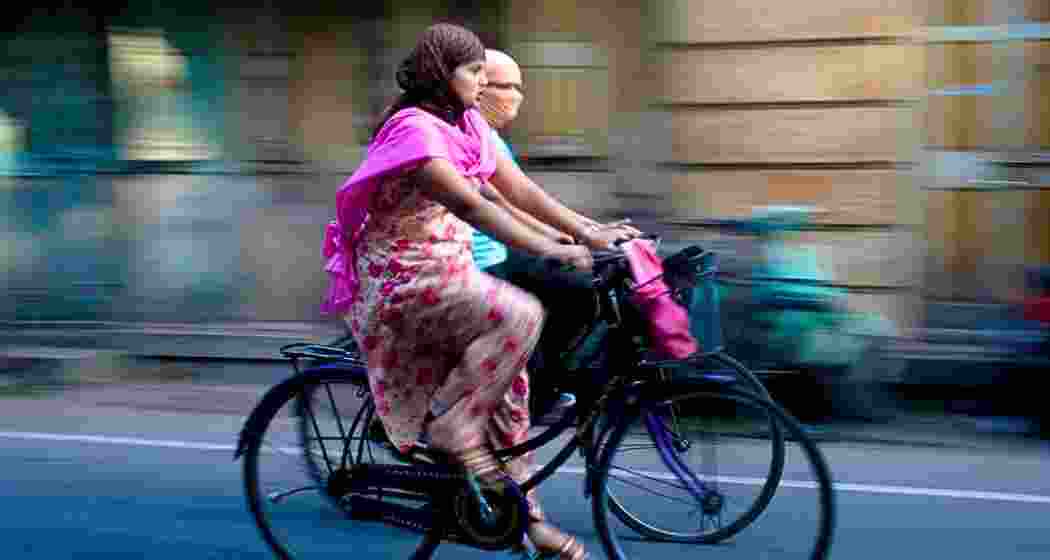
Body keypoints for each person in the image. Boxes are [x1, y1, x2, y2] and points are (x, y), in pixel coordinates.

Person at [321, 24, 620, 560]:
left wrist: (588, 232)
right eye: (475, 71)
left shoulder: (464, 126)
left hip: (450, 273)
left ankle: (531, 522)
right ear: (442, 73)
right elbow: (473, 206)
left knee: (513, 394)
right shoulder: (413, 131)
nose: (484, 84)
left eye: (487, 72)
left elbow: (516, 190)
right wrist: (552, 250)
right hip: (402, 278)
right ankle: (453, 425)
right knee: (523, 313)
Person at [472, 49, 639, 421]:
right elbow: (508, 199)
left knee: (574, 289)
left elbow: (509, 199)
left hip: (496, 249)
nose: (517, 96)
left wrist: (574, 234)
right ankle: (531, 389)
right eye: (508, 86)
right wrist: (577, 235)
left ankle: (538, 384)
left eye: (519, 86)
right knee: (558, 296)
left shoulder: (489, 137)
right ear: (480, 89)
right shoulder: (468, 131)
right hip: (473, 257)